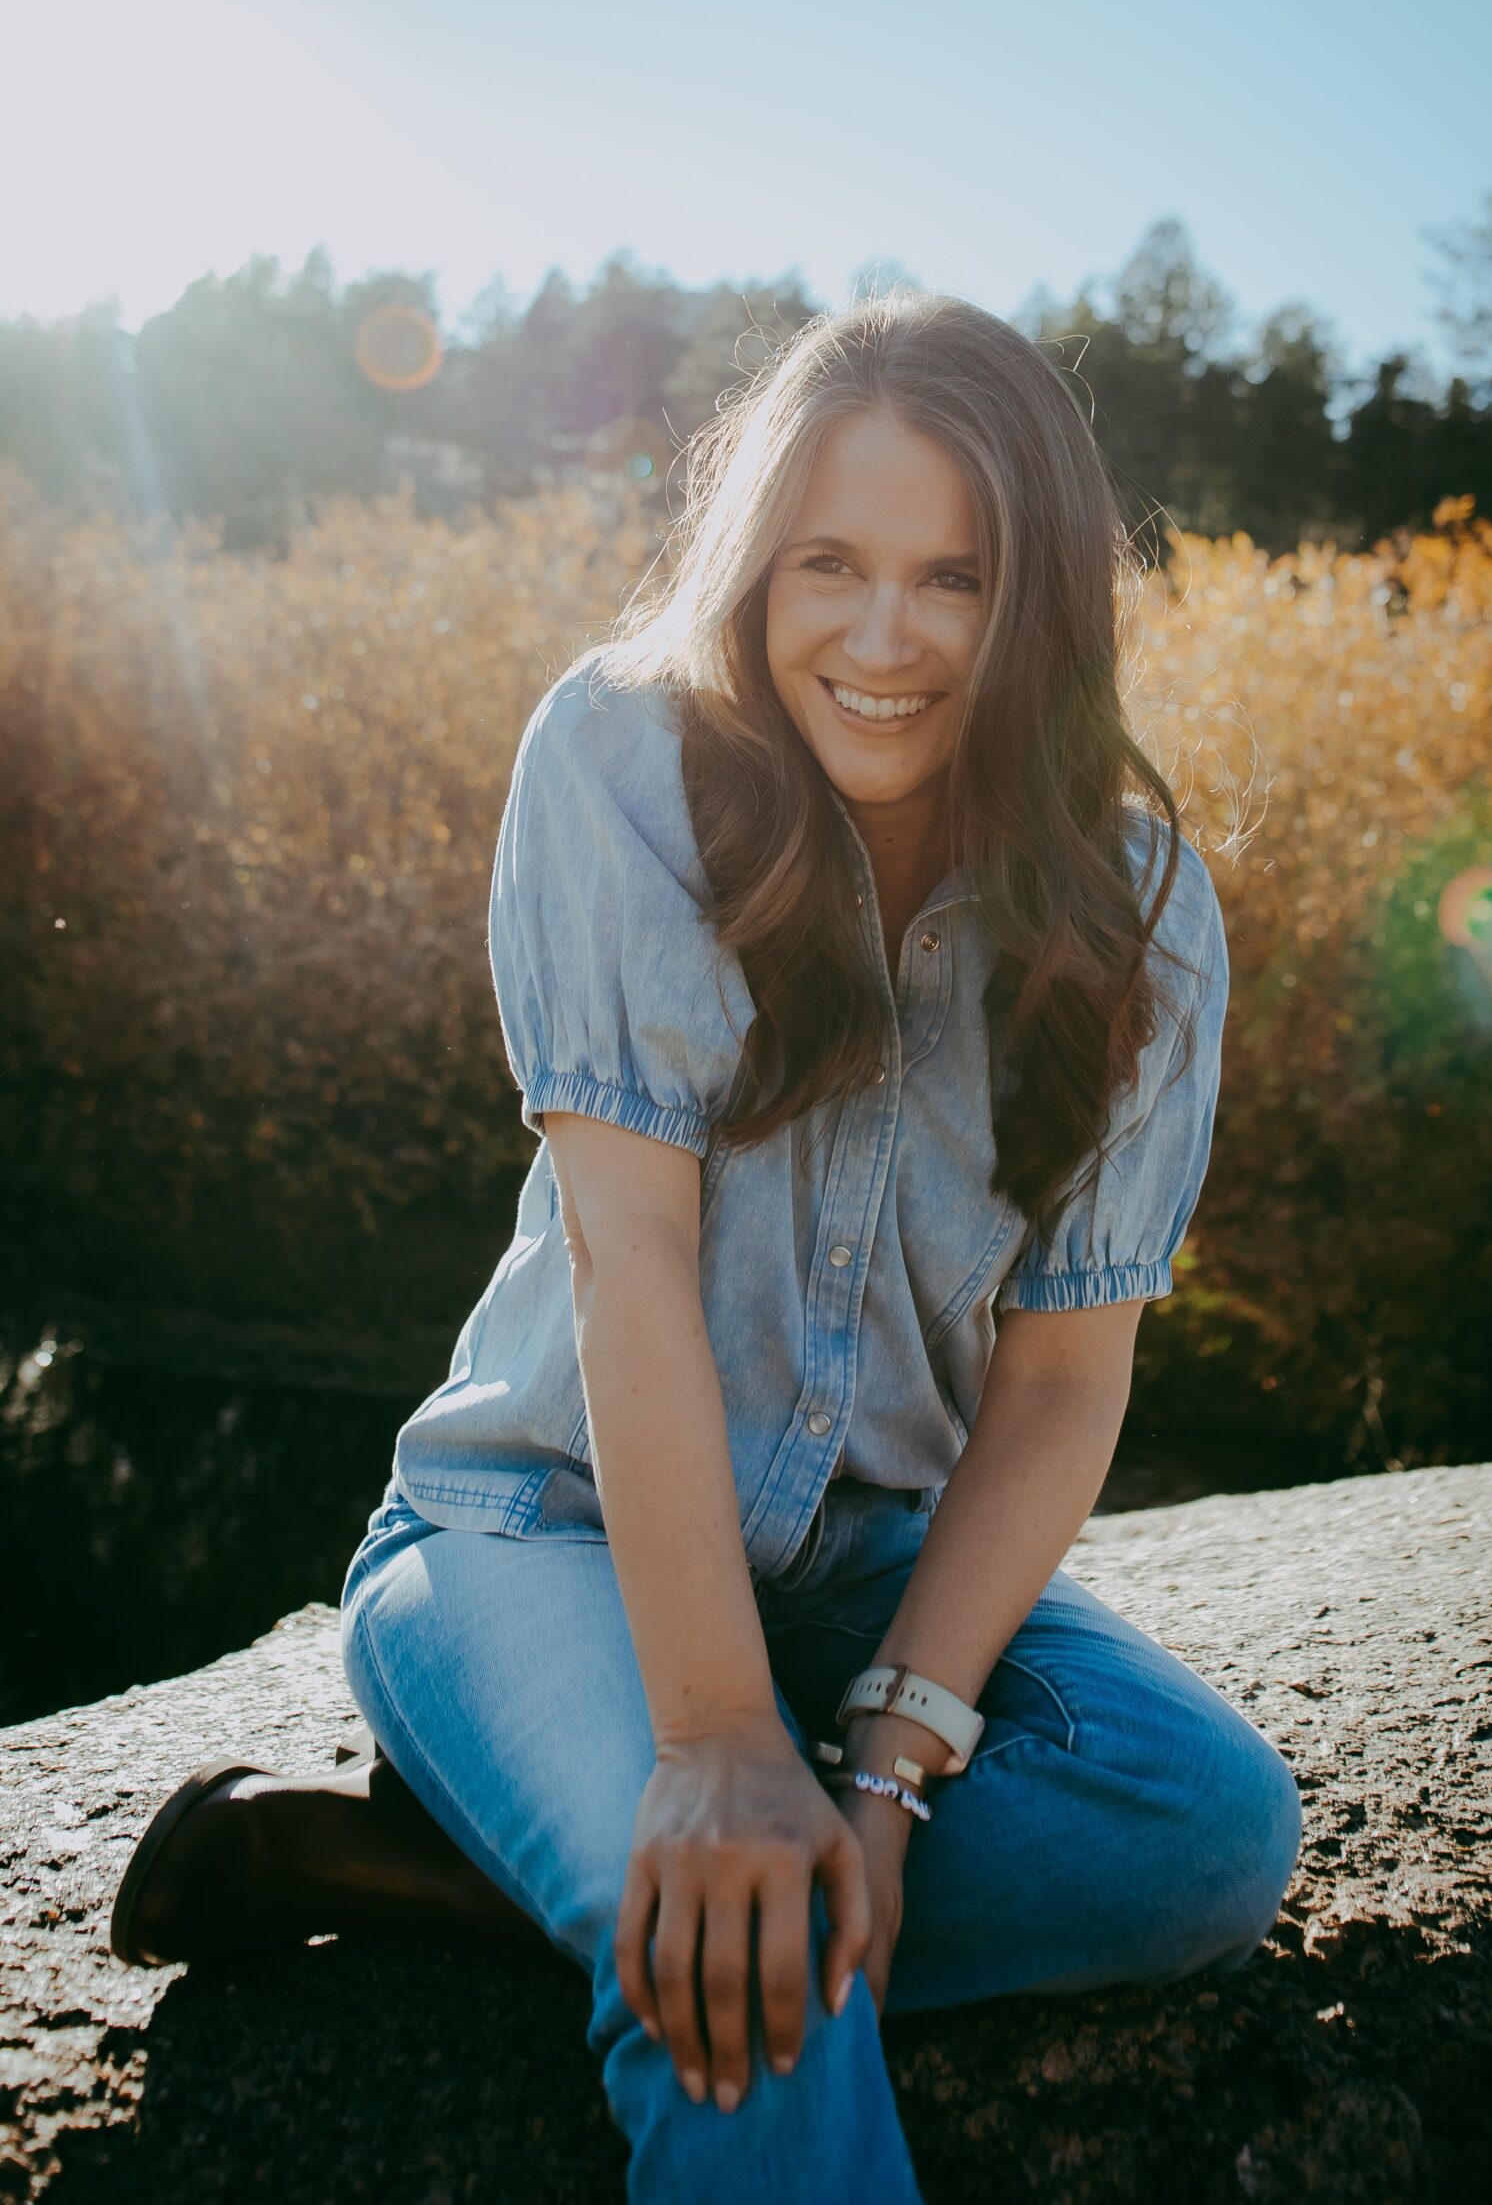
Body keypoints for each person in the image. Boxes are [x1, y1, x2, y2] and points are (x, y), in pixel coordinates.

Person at [110, 290, 1301, 2202]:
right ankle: (653, 1876)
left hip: (866, 1568)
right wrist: (722, 1740)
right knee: (753, 1978)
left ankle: (443, 1885)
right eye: (828, 563)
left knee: (1205, 1831)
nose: (883, 637)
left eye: (956, 579)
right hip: (540, 1536)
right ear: (755, 560)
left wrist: (889, 1769)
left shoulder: (1142, 909)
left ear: (1045, 606)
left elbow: (1070, 1375)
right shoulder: (623, 762)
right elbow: (628, 1268)